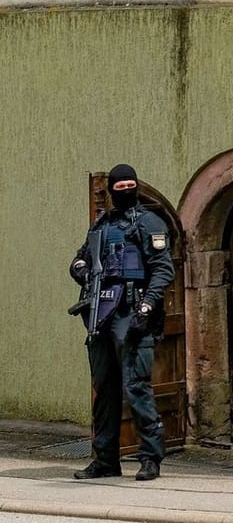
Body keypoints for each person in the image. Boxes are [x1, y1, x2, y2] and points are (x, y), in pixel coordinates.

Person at [68, 164, 175, 482]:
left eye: (131, 185)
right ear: (112, 189)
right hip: (100, 313)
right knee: (104, 387)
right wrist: (82, 269)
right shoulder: (101, 225)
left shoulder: (149, 222)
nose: (126, 190)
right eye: (121, 185)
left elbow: (163, 269)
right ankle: (105, 460)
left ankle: (150, 458)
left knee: (137, 387)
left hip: (132, 313)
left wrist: (147, 306)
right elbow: (79, 260)